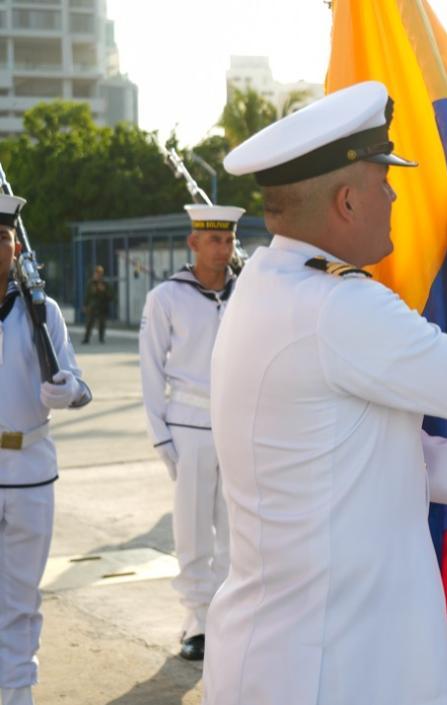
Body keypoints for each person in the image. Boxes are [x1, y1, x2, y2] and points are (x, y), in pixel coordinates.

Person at [206, 80, 447, 705]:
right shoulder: (335, 305)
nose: (394, 196)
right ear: (348, 201)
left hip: (324, 648)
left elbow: (365, 457)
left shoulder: (274, 286)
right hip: (333, 662)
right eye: (385, 182)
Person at [138, 203, 245, 661]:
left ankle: (227, 618)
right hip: (188, 427)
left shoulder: (246, 294)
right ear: (193, 242)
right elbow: (149, 370)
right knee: (194, 529)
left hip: (239, 428)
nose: (223, 249)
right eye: (214, 240)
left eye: (229, 240)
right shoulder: (166, 298)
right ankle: (198, 621)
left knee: (237, 530)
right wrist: (161, 435)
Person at [0, 194, 92, 705]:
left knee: (19, 598)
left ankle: (16, 693)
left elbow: (79, 384)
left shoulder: (42, 311)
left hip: (31, 471)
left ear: (15, 248)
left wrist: (68, 391)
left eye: (2, 237)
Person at [81, 265, 110, 344]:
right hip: (92, 306)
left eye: (99, 273)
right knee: (89, 323)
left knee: (102, 323)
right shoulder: (91, 283)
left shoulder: (105, 283)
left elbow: (110, 296)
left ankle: (101, 338)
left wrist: (104, 291)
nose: (98, 275)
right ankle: (86, 338)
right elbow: (87, 295)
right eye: (97, 273)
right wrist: (85, 305)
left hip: (102, 306)